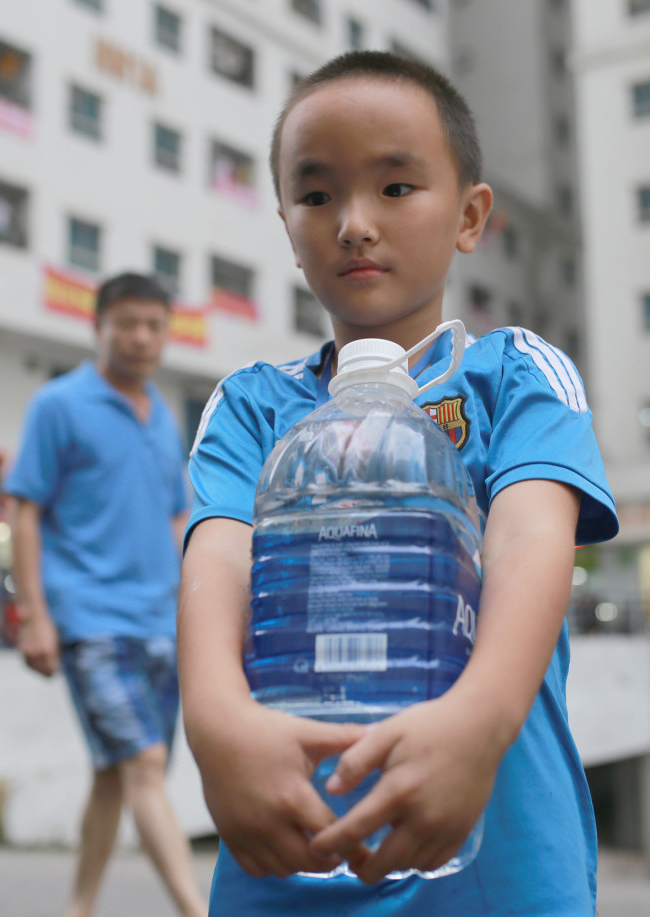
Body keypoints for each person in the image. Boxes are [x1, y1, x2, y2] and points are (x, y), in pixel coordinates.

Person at [177, 51, 619, 916]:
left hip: (498, 872)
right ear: (286, 226)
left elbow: (530, 536)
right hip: (291, 865)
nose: (354, 223)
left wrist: (479, 720)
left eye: (395, 187)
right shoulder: (252, 406)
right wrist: (216, 723)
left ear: (469, 215)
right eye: (316, 195)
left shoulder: (515, 374)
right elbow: (217, 565)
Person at [4, 272, 207, 917]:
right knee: (143, 764)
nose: (142, 337)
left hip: (161, 622)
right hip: (91, 619)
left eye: (154, 325)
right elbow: (24, 511)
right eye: (128, 324)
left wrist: (201, 606)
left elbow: (178, 520)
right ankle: (197, 909)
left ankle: (79, 907)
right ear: (99, 327)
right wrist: (35, 616)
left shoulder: (162, 418)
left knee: (116, 773)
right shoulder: (58, 405)